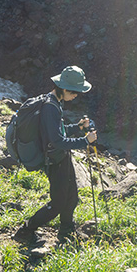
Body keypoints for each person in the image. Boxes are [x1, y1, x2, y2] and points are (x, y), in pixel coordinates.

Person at [14, 65, 95, 244]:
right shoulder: (50, 107)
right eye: (74, 92)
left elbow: (59, 132)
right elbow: (57, 141)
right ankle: (26, 230)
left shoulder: (55, 101)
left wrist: (78, 127)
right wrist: (85, 141)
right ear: (64, 88)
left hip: (61, 157)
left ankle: (66, 230)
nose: (76, 95)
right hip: (54, 160)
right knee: (57, 204)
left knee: (72, 195)